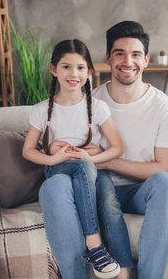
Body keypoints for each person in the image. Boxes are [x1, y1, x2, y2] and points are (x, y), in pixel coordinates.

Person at [23, 39, 124, 278]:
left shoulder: (97, 108)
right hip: (56, 168)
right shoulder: (40, 110)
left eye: (80, 68)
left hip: (86, 170)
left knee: (84, 166)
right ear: (53, 70)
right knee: (82, 166)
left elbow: (118, 147)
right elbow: (28, 150)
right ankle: (94, 243)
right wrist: (52, 157)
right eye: (66, 67)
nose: (73, 74)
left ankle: (94, 245)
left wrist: (92, 157)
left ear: (89, 72)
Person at [92, 20, 168, 279]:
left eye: (135, 54)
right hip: (100, 190)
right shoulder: (91, 101)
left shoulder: (163, 106)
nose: (127, 61)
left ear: (146, 60)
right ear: (108, 58)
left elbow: (166, 169)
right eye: (119, 53)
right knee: (100, 181)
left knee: (166, 184)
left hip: (141, 193)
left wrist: (107, 161)